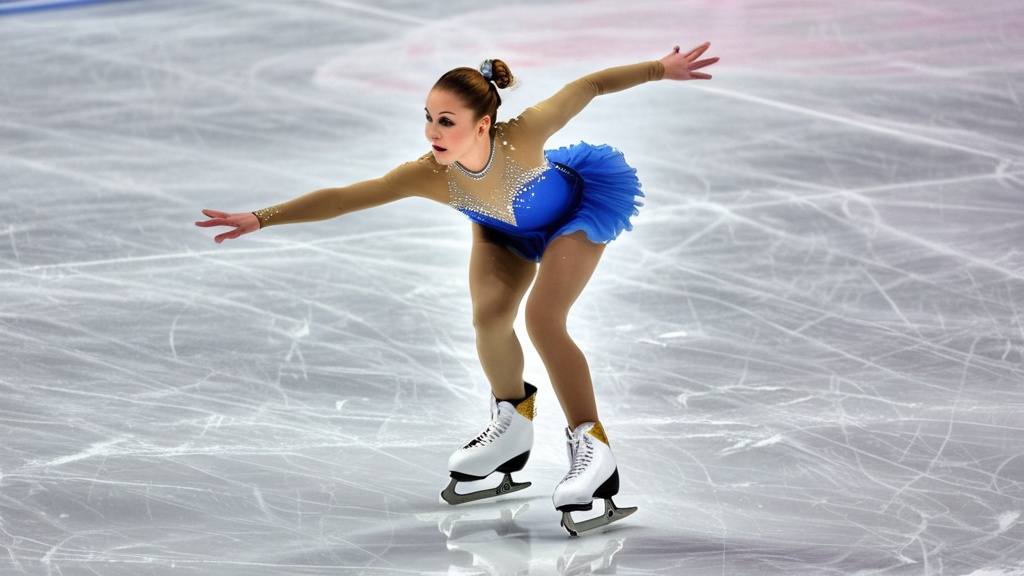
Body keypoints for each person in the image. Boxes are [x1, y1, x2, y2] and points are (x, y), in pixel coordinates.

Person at [196, 42, 718, 535]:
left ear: (482, 124)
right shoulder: (429, 174)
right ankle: (512, 424)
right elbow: (345, 197)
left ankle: (593, 447)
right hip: (502, 233)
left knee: (543, 320)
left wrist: (660, 68)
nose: (432, 132)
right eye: (428, 117)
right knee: (489, 319)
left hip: (573, 217)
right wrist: (262, 217)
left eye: (446, 121)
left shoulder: (523, 135)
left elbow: (590, 84)